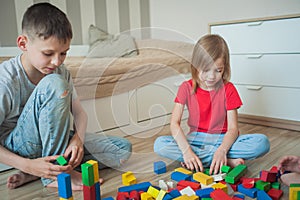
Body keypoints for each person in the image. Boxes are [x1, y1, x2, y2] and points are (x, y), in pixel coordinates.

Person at [0, 3, 131, 190]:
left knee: (121, 149)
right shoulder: (6, 79)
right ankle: (56, 174)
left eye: (63, 53)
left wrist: (78, 139)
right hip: (20, 146)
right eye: (48, 53)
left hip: (51, 143)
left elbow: (79, 113)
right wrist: (26, 164)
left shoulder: (61, 70)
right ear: (23, 44)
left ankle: (41, 171)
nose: (56, 61)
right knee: (54, 83)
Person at [154, 34, 270, 175]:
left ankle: (208, 158)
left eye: (218, 70)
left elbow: (233, 129)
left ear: (225, 67)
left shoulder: (229, 89)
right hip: (196, 138)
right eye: (206, 70)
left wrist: (222, 150)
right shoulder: (186, 87)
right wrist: (186, 151)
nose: (211, 76)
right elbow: (174, 123)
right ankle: (225, 161)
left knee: (262, 142)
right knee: (160, 144)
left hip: (224, 139)